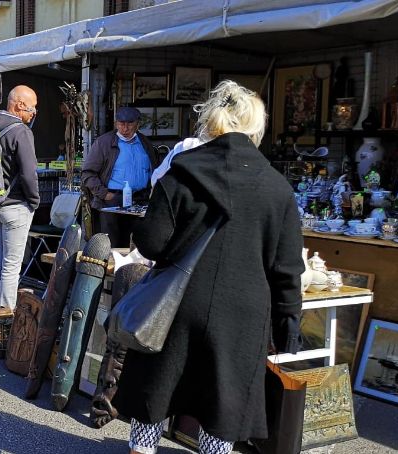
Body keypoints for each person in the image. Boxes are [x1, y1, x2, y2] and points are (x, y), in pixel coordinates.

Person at [112, 81, 304, 454]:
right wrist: (288, 328)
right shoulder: (277, 188)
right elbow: (287, 269)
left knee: (156, 393)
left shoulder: (181, 173)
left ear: (212, 120)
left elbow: (151, 242)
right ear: (255, 126)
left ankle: (143, 449)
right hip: (244, 312)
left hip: (177, 304)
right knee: (222, 406)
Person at [0, 85, 40, 311]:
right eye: (32, 108)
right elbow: (28, 173)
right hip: (15, 205)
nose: (34, 113)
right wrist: (34, 202)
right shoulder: (21, 131)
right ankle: (4, 324)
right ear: (19, 105)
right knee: (11, 266)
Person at [81, 106, 159, 248]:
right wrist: (104, 194)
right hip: (113, 201)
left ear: (137, 124)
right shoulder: (104, 143)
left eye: (129, 123)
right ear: (116, 123)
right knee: (112, 246)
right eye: (121, 123)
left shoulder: (144, 142)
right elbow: (88, 173)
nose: (125, 128)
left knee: (138, 246)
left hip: (140, 200)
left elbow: (154, 170)